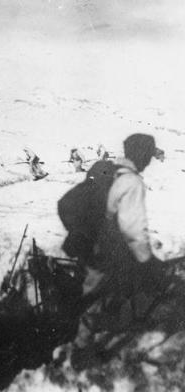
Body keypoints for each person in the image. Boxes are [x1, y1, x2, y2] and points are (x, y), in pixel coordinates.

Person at [70, 134, 173, 369]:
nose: (149, 160)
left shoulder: (109, 170)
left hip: (94, 243)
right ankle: (83, 354)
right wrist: (147, 261)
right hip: (112, 249)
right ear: (142, 155)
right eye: (148, 154)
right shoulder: (132, 182)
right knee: (101, 299)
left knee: (96, 296)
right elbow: (133, 229)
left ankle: (85, 344)